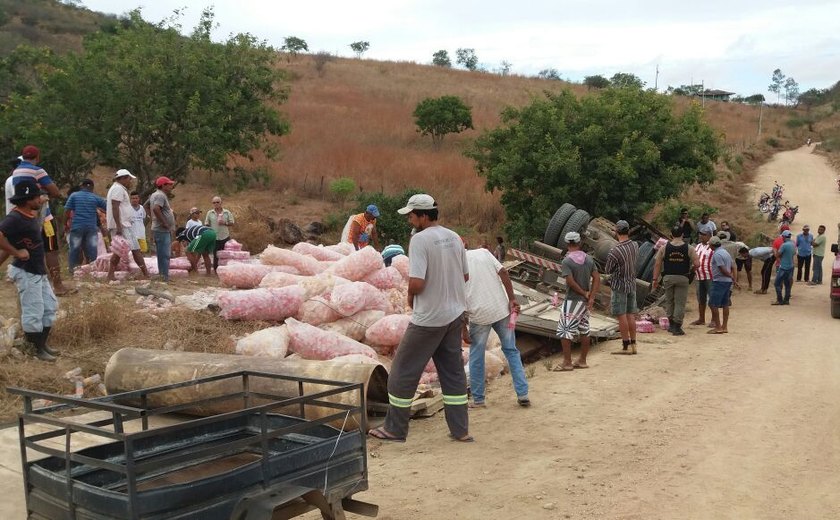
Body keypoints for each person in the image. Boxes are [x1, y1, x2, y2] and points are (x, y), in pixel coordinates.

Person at [368, 194, 472, 443]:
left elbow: (416, 281)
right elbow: (465, 276)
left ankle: (395, 429)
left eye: (412, 216)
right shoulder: (454, 237)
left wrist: (410, 296)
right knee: (453, 374)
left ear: (424, 216)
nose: (410, 221)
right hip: (454, 315)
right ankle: (461, 430)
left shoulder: (420, 240)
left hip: (428, 320)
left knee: (402, 372)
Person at [0, 180, 60, 361]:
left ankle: (42, 344)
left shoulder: (30, 215)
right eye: (37, 196)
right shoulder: (15, 218)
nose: (40, 199)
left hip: (37, 270)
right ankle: (35, 349)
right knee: (33, 311)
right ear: (27, 199)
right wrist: (16, 252)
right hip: (27, 271)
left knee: (50, 307)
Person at [464, 245, 530, 406]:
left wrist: (462, 327)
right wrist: (512, 298)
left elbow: (455, 297)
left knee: (477, 356)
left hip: (478, 315)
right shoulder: (484, 253)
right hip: (501, 309)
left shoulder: (453, 263)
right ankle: (523, 394)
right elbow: (504, 272)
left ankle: (478, 399)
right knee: (511, 351)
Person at [11, 145, 71, 295]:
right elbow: (55, 191)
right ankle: (58, 286)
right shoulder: (38, 170)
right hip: (43, 216)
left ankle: (33, 285)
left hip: (24, 216)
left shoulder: (16, 171)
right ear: (38, 157)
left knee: (29, 249)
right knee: (51, 250)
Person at [553, 231, 599, 369]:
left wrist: (584, 293)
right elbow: (597, 278)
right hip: (584, 303)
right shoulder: (589, 259)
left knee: (565, 330)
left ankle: (567, 362)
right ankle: (582, 361)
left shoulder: (567, 261)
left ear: (567, 244)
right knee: (584, 329)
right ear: (579, 243)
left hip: (573, 300)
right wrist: (591, 297)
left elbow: (570, 282)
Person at [106, 169, 149, 281]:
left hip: (124, 224)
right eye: (129, 179)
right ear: (123, 178)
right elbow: (115, 207)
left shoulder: (117, 188)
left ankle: (110, 275)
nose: (130, 181)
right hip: (122, 225)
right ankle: (146, 274)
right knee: (135, 249)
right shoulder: (118, 189)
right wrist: (119, 226)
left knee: (119, 250)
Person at [652, 226, 696, 336]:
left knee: (669, 301)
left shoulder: (664, 248)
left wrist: (655, 279)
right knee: (680, 302)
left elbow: (657, 264)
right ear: (682, 235)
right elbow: (697, 264)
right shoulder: (689, 248)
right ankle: (677, 326)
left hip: (668, 278)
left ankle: (671, 325)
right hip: (683, 278)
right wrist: (692, 271)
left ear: (671, 235)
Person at [604, 220, 639, 354]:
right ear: (628, 231)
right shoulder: (635, 245)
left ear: (616, 232)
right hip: (631, 283)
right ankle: (634, 344)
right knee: (631, 314)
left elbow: (608, 270)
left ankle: (625, 345)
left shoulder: (615, 251)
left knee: (621, 315)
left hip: (619, 285)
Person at [63, 179, 106, 273]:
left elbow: (67, 211)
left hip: (77, 226)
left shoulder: (74, 196)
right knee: (92, 249)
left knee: (74, 249)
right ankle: (93, 270)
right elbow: (107, 207)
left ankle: (72, 270)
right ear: (92, 187)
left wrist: (65, 224)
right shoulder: (95, 197)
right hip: (91, 228)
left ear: (81, 186)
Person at [707, 236, 738, 334]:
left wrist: (732, 277)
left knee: (713, 303)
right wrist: (732, 278)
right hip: (727, 281)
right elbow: (733, 266)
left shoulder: (717, 254)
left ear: (712, 245)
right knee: (725, 304)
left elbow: (722, 269)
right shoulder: (726, 252)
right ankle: (724, 327)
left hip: (719, 281)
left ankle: (718, 327)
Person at [150, 176, 176, 282]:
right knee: (165, 254)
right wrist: (164, 222)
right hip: (162, 229)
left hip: (159, 229)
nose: (171, 186)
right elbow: (156, 208)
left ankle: (162, 275)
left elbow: (148, 206)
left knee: (161, 254)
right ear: (163, 185)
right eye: (169, 184)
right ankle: (164, 277)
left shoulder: (155, 195)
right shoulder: (160, 195)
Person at [690, 229, 715, 327]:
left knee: (712, 298)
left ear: (709, 235)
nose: (701, 236)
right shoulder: (699, 246)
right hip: (699, 275)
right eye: (700, 234)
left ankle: (714, 319)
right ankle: (701, 319)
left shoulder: (712, 246)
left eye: (704, 234)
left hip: (710, 276)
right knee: (701, 298)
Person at [204, 196, 235, 271]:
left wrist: (225, 222)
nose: (216, 204)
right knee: (216, 255)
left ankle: (227, 270)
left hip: (225, 236)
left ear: (221, 203)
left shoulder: (227, 212)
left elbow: (232, 223)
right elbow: (206, 223)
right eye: (214, 202)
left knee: (226, 254)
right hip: (214, 237)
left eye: (217, 202)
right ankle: (216, 271)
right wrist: (208, 228)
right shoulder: (210, 213)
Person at [772, 230, 795, 305]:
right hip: (791, 266)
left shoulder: (784, 245)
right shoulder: (793, 244)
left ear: (784, 237)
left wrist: (776, 253)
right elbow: (794, 253)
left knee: (777, 284)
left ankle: (779, 300)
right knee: (787, 284)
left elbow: (777, 255)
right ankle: (786, 300)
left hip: (783, 267)